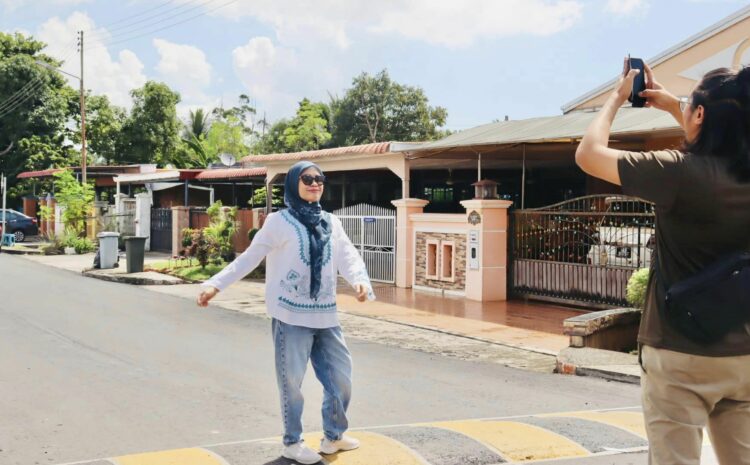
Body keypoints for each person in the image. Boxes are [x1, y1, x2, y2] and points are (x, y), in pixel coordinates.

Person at [575, 60, 750, 465]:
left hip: (679, 352)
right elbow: (717, 142)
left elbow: (589, 154)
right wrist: (678, 107)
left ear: (702, 115)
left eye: (692, 106)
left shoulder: (677, 172)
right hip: (743, 355)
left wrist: (618, 97)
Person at [197, 161, 375, 465]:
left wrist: (360, 281)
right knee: (292, 383)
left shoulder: (332, 222)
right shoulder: (279, 222)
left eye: (319, 178)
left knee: (341, 378)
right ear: (294, 183)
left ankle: (334, 435)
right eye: (307, 178)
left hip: (326, 316)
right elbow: (250, 257)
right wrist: (216, 284)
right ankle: (292, 442)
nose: (315, 183)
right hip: (291, 317)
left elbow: (348, 256)